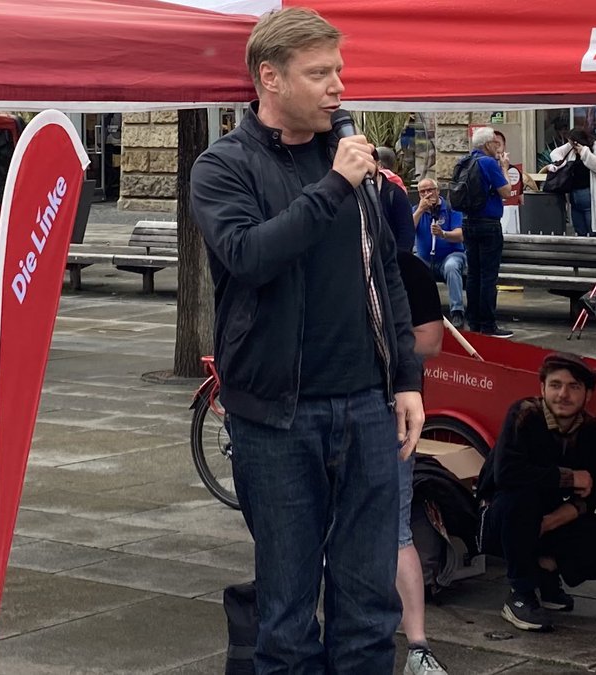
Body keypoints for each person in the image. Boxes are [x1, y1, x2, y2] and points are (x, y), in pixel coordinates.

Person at [189, 8, 424, 673]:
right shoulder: (223, 167)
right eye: (319, 74)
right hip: (278, 418)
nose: (338, 88)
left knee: (368, 610)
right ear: (271, 77)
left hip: (367, 408)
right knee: (288, 616)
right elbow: (249, 255)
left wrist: (406, 378)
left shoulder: (351, 166)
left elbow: (386, 275)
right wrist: (333, 186)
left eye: (339, 71)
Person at [475, 353, 596, 632]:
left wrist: (550, 522)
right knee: (522, 497)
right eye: (555, 385)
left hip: (548, 518)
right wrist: (568, 478)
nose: (563, 394)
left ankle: (546, 568)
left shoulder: (590, 429)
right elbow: (507, 475)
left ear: (588, 394)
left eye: (574, 386)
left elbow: (593, 493)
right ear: (542, 388)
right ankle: (520, 593)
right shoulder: (524, 414)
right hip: (500, 516)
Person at [392, 250, 448, 675]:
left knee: (396, 529)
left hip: (387, 413)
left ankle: (418, 646)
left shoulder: (405, 267)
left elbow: (431, 340)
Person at [463, 126, 514, 338]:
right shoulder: (488, 163)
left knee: (473, 275)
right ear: (487, 144)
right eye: (495, 143)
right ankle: (488, 324)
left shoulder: (464, 161)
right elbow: (507, 191)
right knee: (488, 276)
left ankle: (472, 321)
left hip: (468, 222)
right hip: (488, 224)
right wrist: (504, 168)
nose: (497, 146)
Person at [413, 177, 466, 328]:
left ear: (437, 191)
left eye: (430, 190)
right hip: (426, 258)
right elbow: (407, 230)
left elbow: (460, 234)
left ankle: (457, 311)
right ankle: (420, 312)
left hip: (450, 255)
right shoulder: (417, 210)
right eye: (422, 192)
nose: (427, 194)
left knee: (451, 266)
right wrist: (420, 210)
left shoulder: (451, 209)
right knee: (411, 265)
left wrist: (443, 234)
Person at [546, 128, 596, 236]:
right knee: (579, 230)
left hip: (590, 197)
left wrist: (585, 153)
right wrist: (562, 162)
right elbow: (555, 153)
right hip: (574, 197)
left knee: (592, 229)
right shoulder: (571, 149)